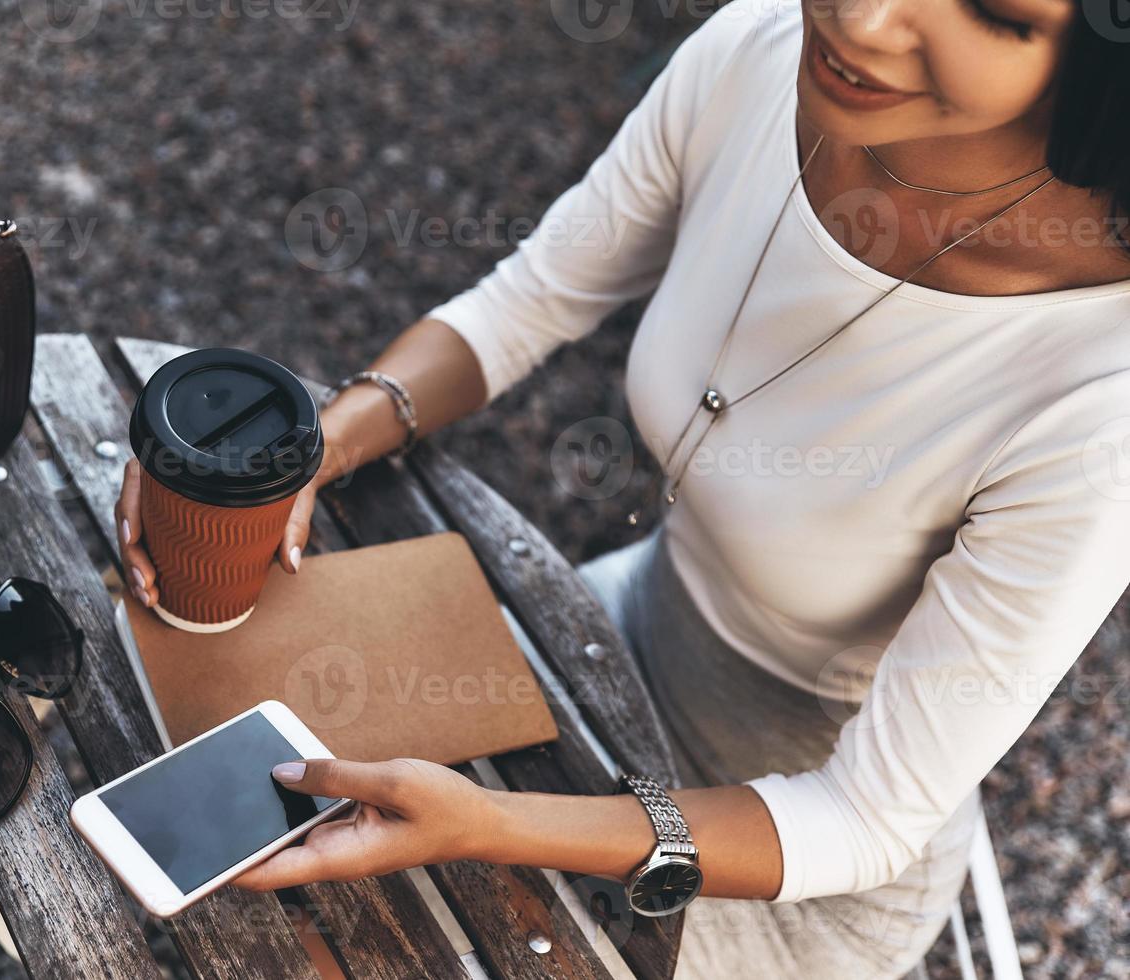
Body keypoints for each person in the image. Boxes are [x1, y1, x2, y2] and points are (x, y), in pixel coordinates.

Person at [115, 0, 1130, 974]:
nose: (862, 18)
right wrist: (302, 450)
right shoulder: (756, 50)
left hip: (784, 860)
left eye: (995, 11)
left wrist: (491, 828)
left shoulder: (1101, 400)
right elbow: (529, 300)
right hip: (604, 625)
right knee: (197, 748)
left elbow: (864, 816)